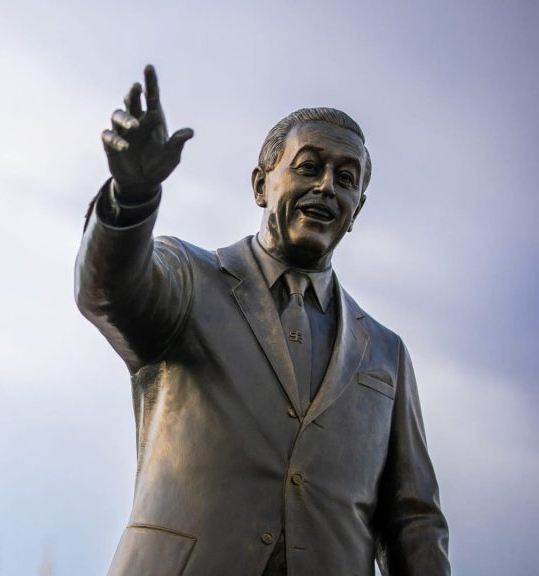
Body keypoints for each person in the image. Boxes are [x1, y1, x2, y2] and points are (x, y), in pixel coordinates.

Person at [75, 65, 449, 576]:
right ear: (260, 185)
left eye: (345, 179)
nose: (326, 187)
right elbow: (107, 292)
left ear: (356, 209)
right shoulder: (188, 278)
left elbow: (413, 520)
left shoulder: (387, 353)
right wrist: (132, 196)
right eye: (309, 167)